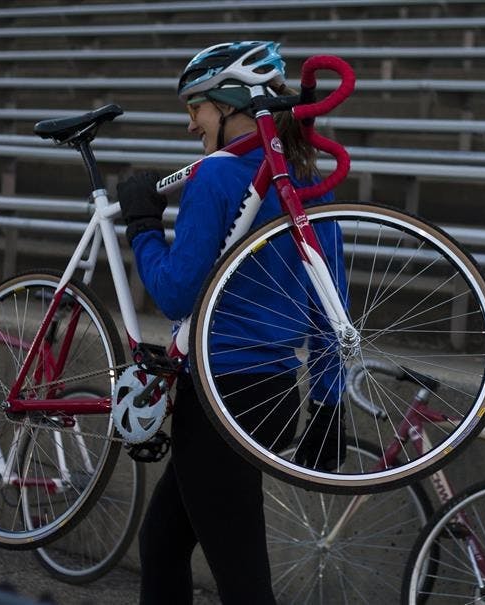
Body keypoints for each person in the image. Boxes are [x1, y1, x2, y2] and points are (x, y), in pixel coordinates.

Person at [117, 41, 347, 605]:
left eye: (195, 106)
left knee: (243, 581)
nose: (190, 123)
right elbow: (331, 307)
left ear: (229, 103)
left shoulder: (216, 178)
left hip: (220, 394)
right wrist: (327, 402)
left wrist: (143, 227)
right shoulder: (305, 179)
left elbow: (175, 293)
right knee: (162, 543)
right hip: (275, 393)